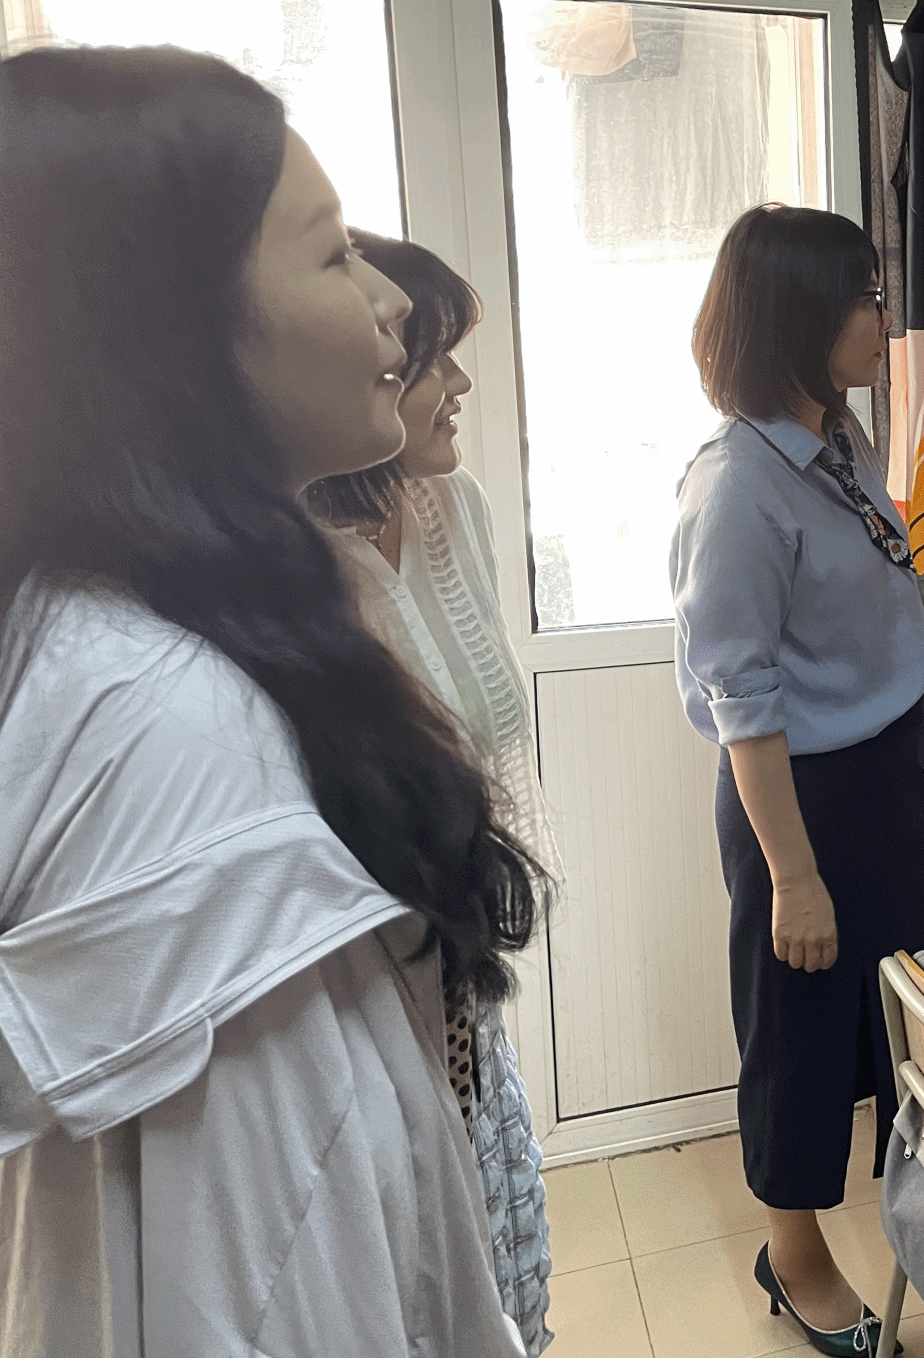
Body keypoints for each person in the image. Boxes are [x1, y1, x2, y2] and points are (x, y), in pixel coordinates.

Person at [0, 44, 537, 1358]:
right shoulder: (174, 724)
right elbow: (284, 1263)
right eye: (333, 254)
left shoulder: (142, 624)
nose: (391, 306)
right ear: (165, 331)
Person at [670, 203, 924, 1357]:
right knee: (797, 1037)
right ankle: (793, 1260)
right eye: (864, 298)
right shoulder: (736, 487)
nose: (881, 319)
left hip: (884, 781)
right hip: (795, 801)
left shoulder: (834, 439)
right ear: (798, 315)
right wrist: (793, 878)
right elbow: (741, 705)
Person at [307, 231, 561, 1356]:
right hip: (361, 987)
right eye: (430, 356)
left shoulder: (461, 510)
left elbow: (488, 733)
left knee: (495, 1249)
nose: (459, 382)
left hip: (460, 961)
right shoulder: (293, 564)